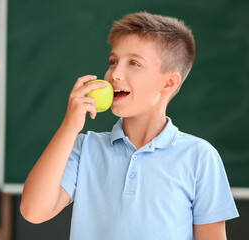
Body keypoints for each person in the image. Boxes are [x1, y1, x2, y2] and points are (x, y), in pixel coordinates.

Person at [20, 12, 239, 239]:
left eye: (134, 63)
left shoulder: (199, 156)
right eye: (113, 62)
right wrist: (69, 127)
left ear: (169, 83)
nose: (115, 73)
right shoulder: (84, 148)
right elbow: (33, 211)